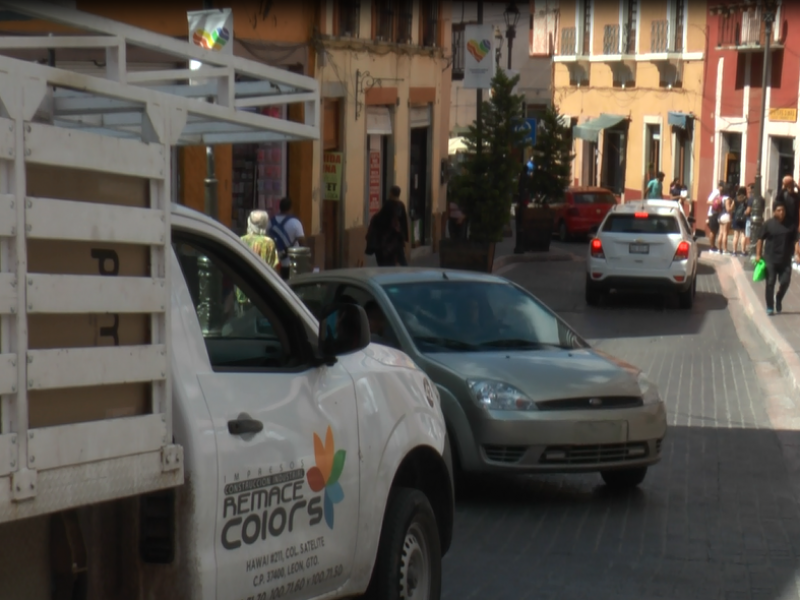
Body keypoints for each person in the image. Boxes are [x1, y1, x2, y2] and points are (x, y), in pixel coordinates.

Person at [756, 198, 796, 315]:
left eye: (783, 210)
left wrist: (797, 253)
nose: (781, 212)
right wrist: (758, 255)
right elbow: (760, 239)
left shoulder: (790, 225)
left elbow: (796, 240)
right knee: (770, 282)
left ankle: (778, 297)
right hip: (770, 259)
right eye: (779, 210)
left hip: (785, 260)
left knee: (785, 282)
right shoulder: (768, 224)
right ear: (774, 212)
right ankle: (769, 306)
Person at [366, 185, 409, 266]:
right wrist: (404, 237)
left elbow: (380, 220)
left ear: (391, 193)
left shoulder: (388, 205)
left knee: (386, 262)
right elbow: (404, 222)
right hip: (397, 239)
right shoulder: (401, 205)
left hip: (387, 240)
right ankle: (408, 274)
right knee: (402, 260)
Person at [267, 197, 306, 280]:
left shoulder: (270, 222)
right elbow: (302, 242)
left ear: (279, 207)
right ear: (291, 208)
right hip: (291, 262)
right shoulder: (295, 223)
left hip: (275, 263)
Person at [777, 175, 800, 263]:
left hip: (794, 221)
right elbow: (778, 198)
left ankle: (795, 255)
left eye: (791, 187)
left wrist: (796, 186)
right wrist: (783, 186)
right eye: (788, 187)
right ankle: (786, 254)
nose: (790, 189)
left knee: (795, 239)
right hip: (786, 221)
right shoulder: (783, 195)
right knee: (786, 238)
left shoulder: (795, 196)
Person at [706, 181, 725, 253]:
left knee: (715, 231)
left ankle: (713, 245)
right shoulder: (716, 192)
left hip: (716, 213)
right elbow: (708, 201)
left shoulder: (720, 193)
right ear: (720, 187)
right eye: (722, 186)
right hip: (712, 213)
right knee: (713, 231)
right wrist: (716, 204)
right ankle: (711, 246)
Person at [731, 186, 749, 256]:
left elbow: (732, 208)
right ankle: (743, 251)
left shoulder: (735, 199)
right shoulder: (746, 199)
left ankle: (734, 251)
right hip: (743, 218)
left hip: (736, 218)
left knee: (735, 236)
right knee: (743, 235)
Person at [718, 185, 733, 254]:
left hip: (720, 216)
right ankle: (725, 249)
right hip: (726, 216)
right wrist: (733, 205)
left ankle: (719, 249)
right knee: (725, 234)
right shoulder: (727, 199)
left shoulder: (721, 198)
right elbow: (728, 209)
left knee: (720, 233)